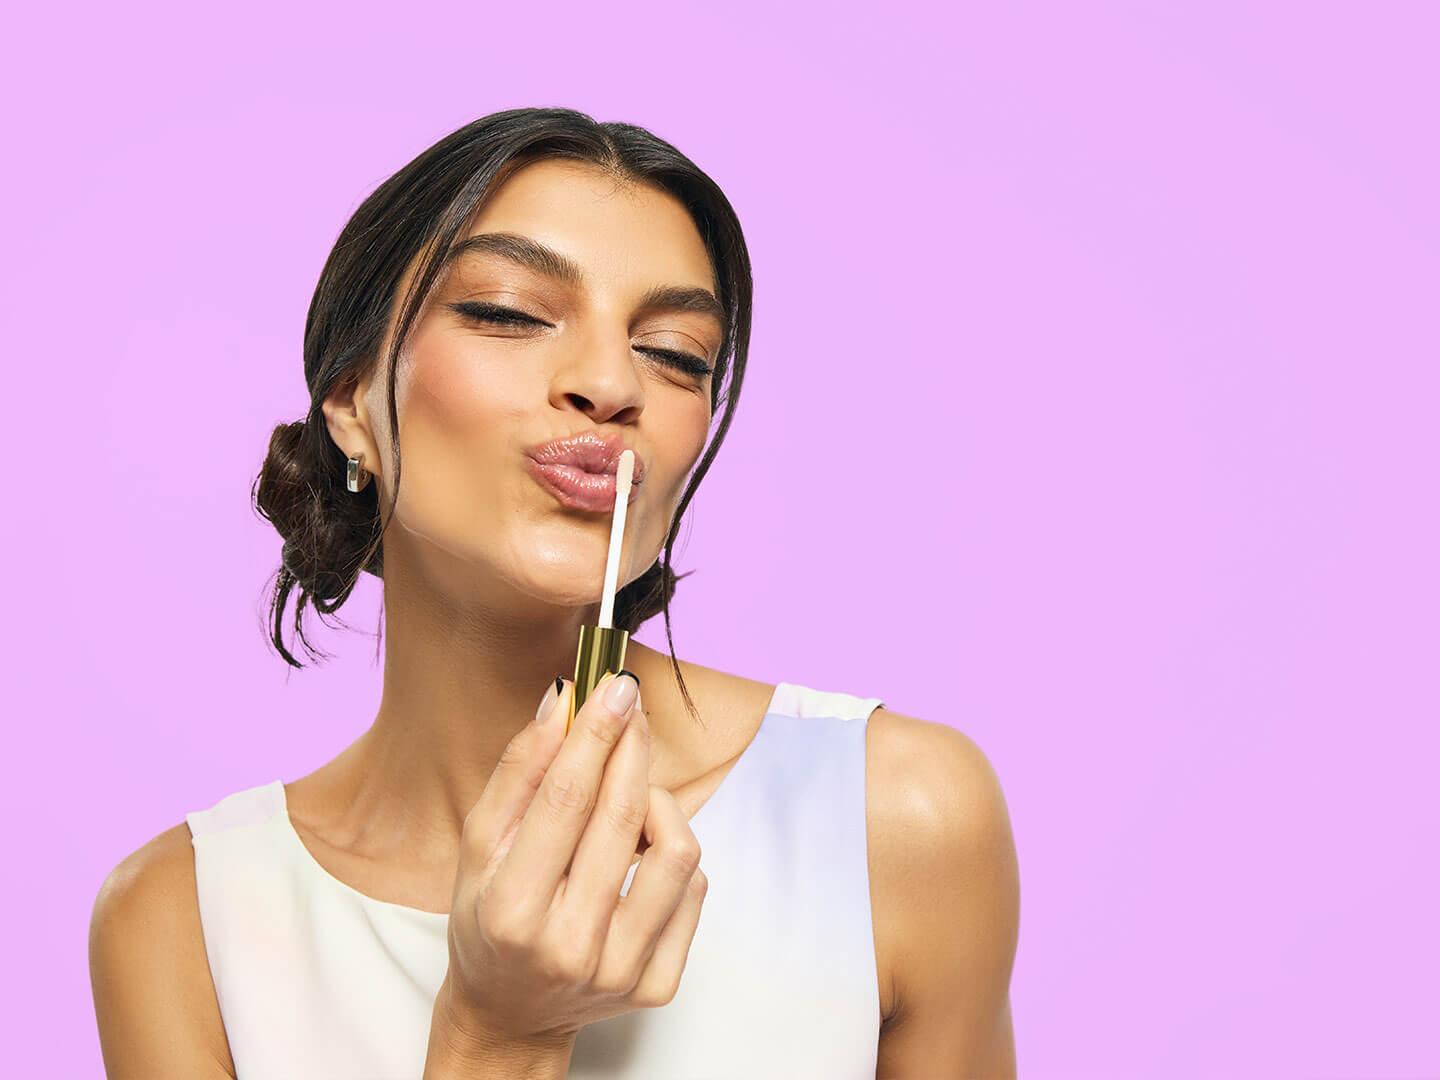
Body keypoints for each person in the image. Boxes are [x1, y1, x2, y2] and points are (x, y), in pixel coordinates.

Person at [88, 106, 1020, 1078]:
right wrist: (500, 1037)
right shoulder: (186, 919)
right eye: (508, 311)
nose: (612, 382)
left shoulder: (893, 819)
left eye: (675, 355)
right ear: (353, 402)